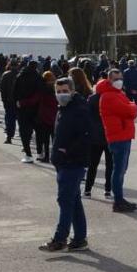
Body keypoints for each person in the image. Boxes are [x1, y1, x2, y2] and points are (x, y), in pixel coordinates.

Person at [38, 77, 92, 253]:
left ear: (73, 91)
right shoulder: (64, 108)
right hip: (63, 162)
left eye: (64, 91)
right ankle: (80, 238)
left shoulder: (79, 109)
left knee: (65, 200)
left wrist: (65, 152)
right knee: (73, 200)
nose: (61, 94)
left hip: (72, 162)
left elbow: (85, 137)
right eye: (58, 91)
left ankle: (60, 239)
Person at [96, 69, 137, 212]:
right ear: (109, 80)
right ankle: (118, 200)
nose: (119, 81)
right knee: (119, 170)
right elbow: (130, 111)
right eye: (115, 79)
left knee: (121, 169)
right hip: (118, 136)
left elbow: (129, 110)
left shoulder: (117, 94)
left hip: (123, 135)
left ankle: (119, 198)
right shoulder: (109, 96)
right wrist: (132, 106)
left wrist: (130, 106)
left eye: (120, 78)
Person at [83, 73, 113, 199]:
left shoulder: (91, 99)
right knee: (110, 165)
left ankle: (87, 190)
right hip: (110, 135)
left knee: (93, 165)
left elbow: (86, 117)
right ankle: (108, 190)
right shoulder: (112, 98)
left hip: (95, 136)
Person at [15, 62, 43, 163]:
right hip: (36, 109)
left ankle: (28, 154)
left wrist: (17, 103)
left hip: (22, 109)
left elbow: (14, 92)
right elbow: (41, 93)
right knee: (38, 131)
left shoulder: (20, 76)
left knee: (24, 132)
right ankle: (40, 153)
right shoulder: (38, 77)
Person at [34, 71, 59, 163]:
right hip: (55, 115)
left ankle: (46, 156)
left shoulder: (42, 89)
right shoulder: (56, 88)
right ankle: (55, 156)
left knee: (45, 139)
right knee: (54, 139)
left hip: (44, 115)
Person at [0, 61, 18, 143]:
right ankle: (25, 138)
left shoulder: (6, 75)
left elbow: (2, 89)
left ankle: (9, 136)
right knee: (20, 120)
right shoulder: (20, 75)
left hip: (8, 100)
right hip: (18, 101)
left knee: (10, 118)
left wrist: (4, 100)